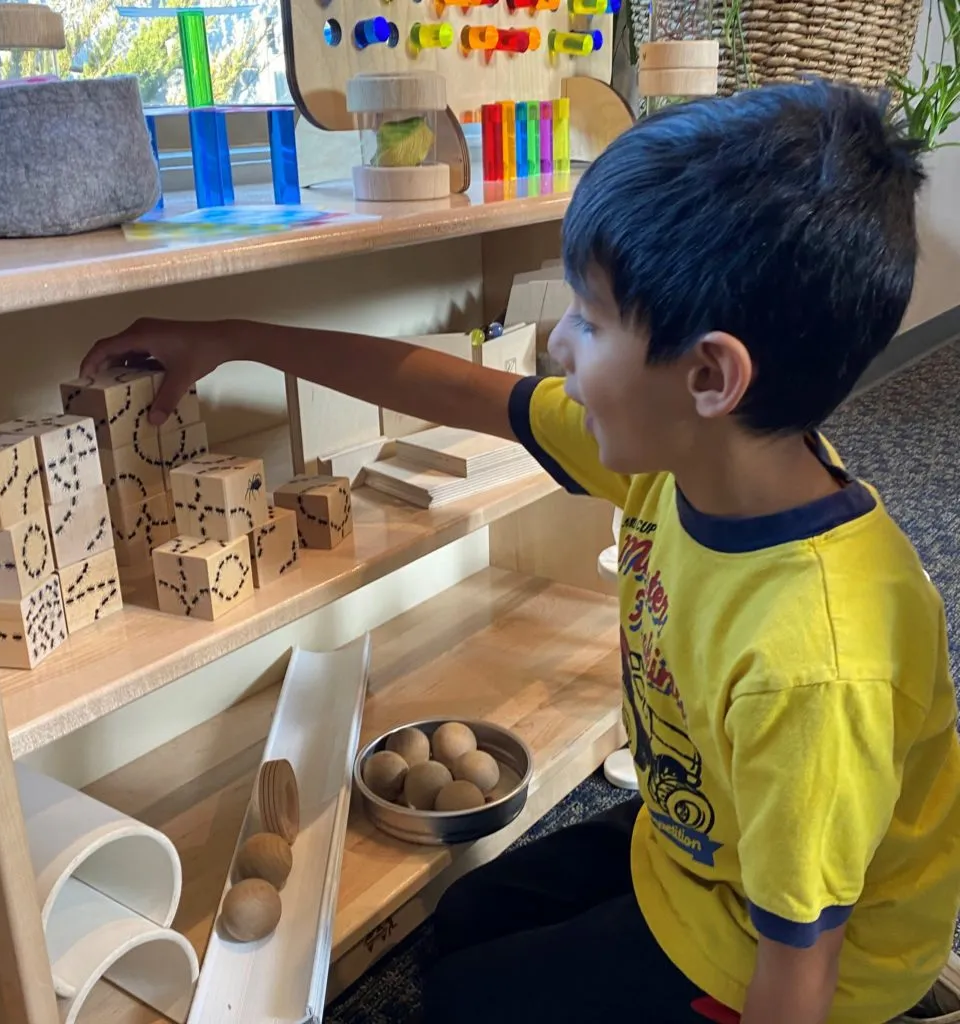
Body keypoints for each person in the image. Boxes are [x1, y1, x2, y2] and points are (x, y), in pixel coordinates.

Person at [80, 79, 960, 1024]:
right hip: (704, 846)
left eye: (591, 315)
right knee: (465, 921)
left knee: (461, 1000)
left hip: (801, 957)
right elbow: (451, 389)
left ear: (710, 373)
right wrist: (231, 338)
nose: (556, 339)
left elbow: (803, 968)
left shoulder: (815, 667)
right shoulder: (689, 458)